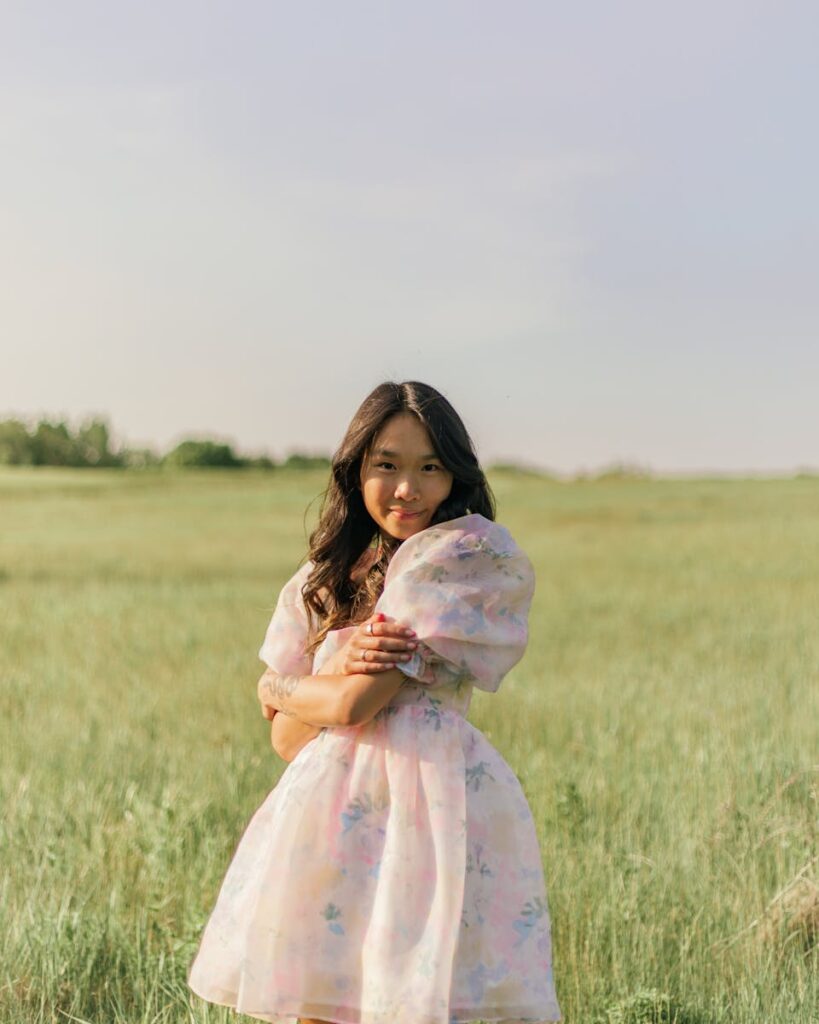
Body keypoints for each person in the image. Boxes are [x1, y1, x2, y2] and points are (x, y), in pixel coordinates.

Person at [187, 380, 562, 1024]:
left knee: (414, 998)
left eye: (430, 468)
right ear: (356, 468)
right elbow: (287, 740)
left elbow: (353, 706)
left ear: (455, 476)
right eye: (386, 465)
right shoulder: (322, 579)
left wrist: (277, 689)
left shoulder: (455, 560)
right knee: (318, 1000)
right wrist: (322, 673)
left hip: (429, 810)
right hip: (329, 817)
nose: (407, 488)